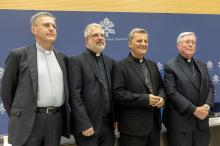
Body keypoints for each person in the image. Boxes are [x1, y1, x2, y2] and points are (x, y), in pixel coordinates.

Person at [1, 12, 70, 146]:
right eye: (46, 25)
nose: (51, 28)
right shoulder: (18, 55)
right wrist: (20, 116)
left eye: (54, 26)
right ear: (34, 29)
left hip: (55, 121)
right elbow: (6, 92)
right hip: (28, 122)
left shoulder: (63, 58)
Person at [112, 28, 165, 146]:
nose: (143, 44)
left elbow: (161, 87)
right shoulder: (120, 66)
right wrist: (145, 99)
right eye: (139, 41)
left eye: (145, 41)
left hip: (154, 126)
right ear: (130, 44)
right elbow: (118, 94)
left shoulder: (152, 64)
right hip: (132, 130)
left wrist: (162, 98)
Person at [162, 32, 214, 146]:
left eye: (193, 42)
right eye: (187, 42)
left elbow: (210, 86)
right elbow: (171, 92)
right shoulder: (170, 66)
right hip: (181, 124)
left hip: (201, 123)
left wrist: (207, 106)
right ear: (178, 45)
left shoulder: (202, 65)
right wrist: (194, 110)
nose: (191, 45)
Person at [68, 23, 115, 146]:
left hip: (108, 126)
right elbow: (74, 95)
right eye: (95, 35)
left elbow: (114, 92)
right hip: (88, 127)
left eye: (102, 35)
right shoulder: (76, 61)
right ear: (86, 40)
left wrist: (116, 118)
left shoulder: (111, 62)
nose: (100, 37)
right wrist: (84, 124)